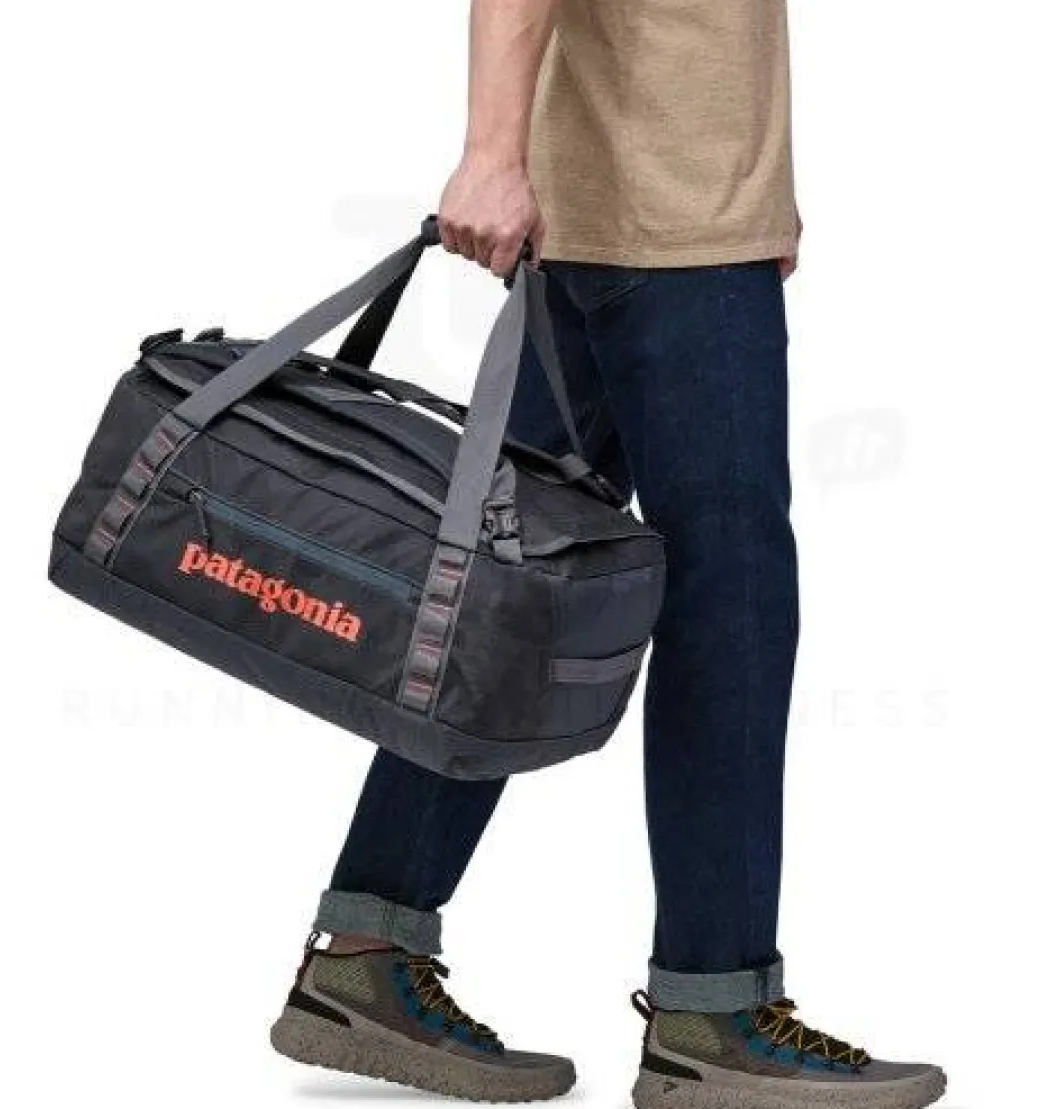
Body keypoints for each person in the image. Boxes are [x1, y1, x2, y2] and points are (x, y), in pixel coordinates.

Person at [269, 3, 945, 1107]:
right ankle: (713, 1011)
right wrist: (490, 151)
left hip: (626, 219)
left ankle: (365, 954)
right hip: (666, 234)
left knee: (506, 600)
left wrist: (758, 182)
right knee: (727, 608)